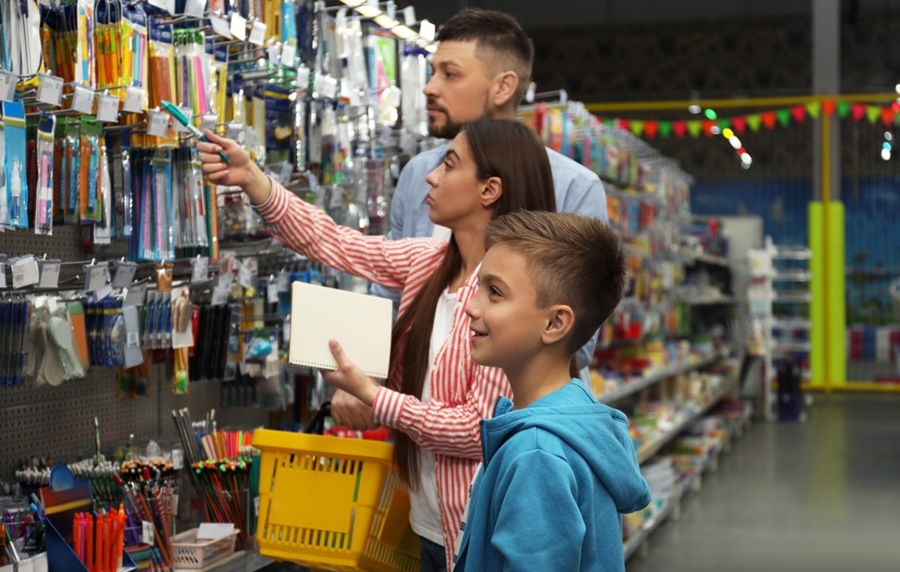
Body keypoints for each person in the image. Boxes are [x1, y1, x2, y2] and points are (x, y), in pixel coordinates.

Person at [198, 119, 556, 570]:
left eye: (449, 165)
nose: (431, 177)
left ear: (490, 190)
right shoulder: (430, 262)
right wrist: (254, 180)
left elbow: (477, 430)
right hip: (426, 518)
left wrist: (375, 397)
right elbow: (334, 242)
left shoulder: (510, 297)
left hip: (479, 529)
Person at [369, 8, 608, 374]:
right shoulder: (419, 173)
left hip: (517, 406)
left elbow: (577, 340)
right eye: (433, 72)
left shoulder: (572, 187)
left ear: (503, 87)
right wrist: (368, 375)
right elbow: (390, 291)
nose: (430, 87)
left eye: (450, 74)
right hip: (415, 400)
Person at [450, 211, 651, 571]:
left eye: (494, 292)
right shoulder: (575, 413)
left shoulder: (537, 454)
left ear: (555, 323)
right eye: (478, 286)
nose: (471, 306)